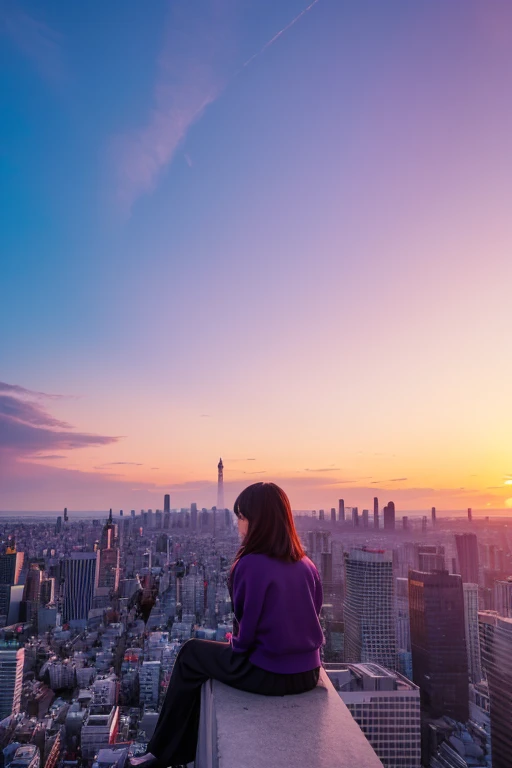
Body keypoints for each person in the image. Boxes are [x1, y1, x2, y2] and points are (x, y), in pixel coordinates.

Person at [128, 482, 325, 768]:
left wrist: (235, 642)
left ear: (259, 521)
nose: (238, 525)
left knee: (190, 654)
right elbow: (312, 612)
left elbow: (245, 639)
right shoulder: (307, 564)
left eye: (242, 517)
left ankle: (160, 753)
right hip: (308, 673)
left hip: (269, 674)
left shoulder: (250, 564)